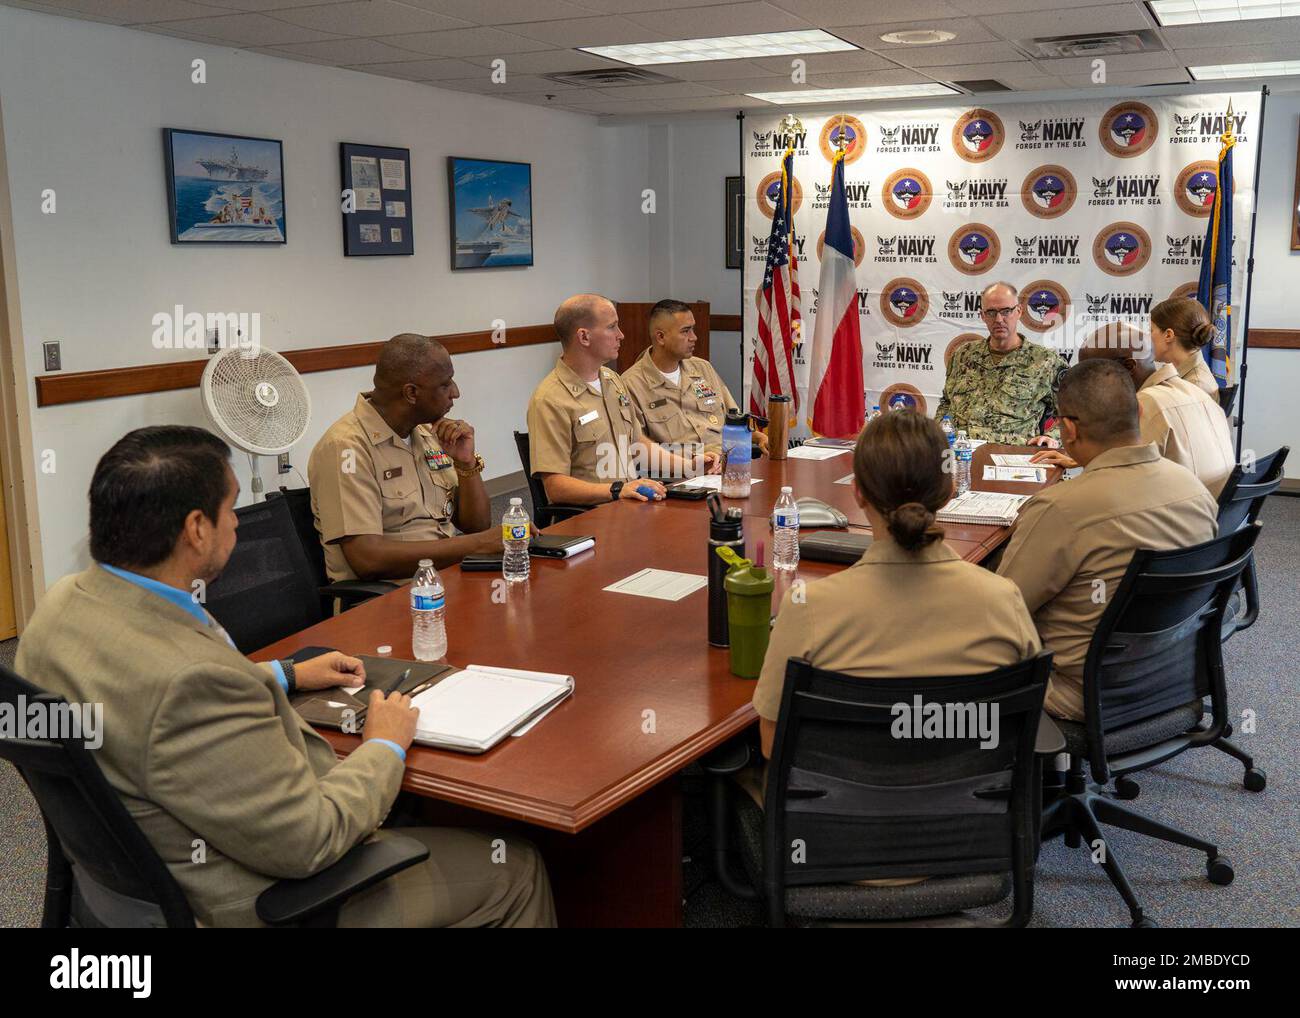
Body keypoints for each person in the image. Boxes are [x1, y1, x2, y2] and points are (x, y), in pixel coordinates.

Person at [16, 426, 555, 927]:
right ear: (196, 529)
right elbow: (311, 842)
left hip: (127, 888)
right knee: (517, 866)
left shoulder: (62, 607)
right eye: (230, 509)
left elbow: (148, 694)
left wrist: (284, 673)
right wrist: (384, 746)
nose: (236, 523)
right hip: (266, 901)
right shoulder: (191, 683)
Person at [753, 410, 1041, 759]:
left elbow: (772, 745)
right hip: (971, 807)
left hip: (836, 810)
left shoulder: (807, 608)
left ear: (857, 491)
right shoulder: (1002, 600)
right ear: (950, 490)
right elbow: (1027, 723)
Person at [999, 361, 1218, 721]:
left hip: (1081, 694)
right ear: (1140, 410)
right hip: (1174, 677)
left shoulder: (1060, 509)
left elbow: (1003, 609)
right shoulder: (1195, 490)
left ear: (1068, 429)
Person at [308, 333, 500, 581]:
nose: (456, 392)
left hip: (446, 576)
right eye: (445, 384)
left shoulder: (425, 434)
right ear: (411, 393)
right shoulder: (346, 449)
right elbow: (368, 559)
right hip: (388, 599)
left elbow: (477, 525)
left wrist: (466, 464)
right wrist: (477, 545)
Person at [527, 294, 718, 506]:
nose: (621, 335)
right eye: (612, 327)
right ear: (584, 337)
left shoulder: (612, 381)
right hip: (591, 517)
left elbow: (637, 442)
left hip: (630, 506)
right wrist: (617, 490)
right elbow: (555, 488)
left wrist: (689, 466)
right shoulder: (550, 399)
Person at [1031, 322, 1235, 497]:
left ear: (1128, 366)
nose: (1088, 384)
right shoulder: (1195, 392)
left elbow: (1118, 487)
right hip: (1209, 527)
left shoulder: (1145, 405)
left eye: (1095, 373)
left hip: (1173, 530)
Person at [621, 298, 767, 456]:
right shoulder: (632, 384)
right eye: (685, 331)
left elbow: (733, 420)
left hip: (728, 463)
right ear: (661, 337)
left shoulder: (703, 368)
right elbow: (637, 450)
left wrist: (758, 437)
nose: (694, 337)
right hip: (680, 474)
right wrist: (694, 461)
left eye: (693, 330)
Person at [935, 281, 1066, 446]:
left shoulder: (1046, 361)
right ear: (982, 315)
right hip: (962, 453)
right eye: (991, 312)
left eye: (1006, 311)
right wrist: (940, 432)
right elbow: (946, 402)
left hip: (1014, 456)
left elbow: (1074, 413)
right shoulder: (963, 355)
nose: (998, 319)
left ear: (1019, 311)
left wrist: (1053, 437)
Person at [1150, 296, 1220, 398]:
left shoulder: (1195, 386)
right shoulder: (1178, 374)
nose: (1146, 337)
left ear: (1168, 335)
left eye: (1150, 330)